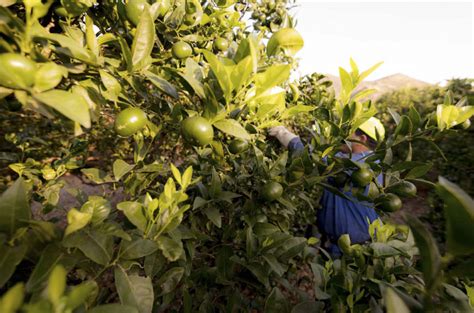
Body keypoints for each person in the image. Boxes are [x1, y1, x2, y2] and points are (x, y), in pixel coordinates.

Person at [269, 117, 385, 257]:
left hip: (352, 250)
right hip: (333, 244)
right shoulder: (354, 158)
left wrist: (289, 138)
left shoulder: (363, 167)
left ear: (362, 138)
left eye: (348, 132)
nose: (342, 135)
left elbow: (317, 161)